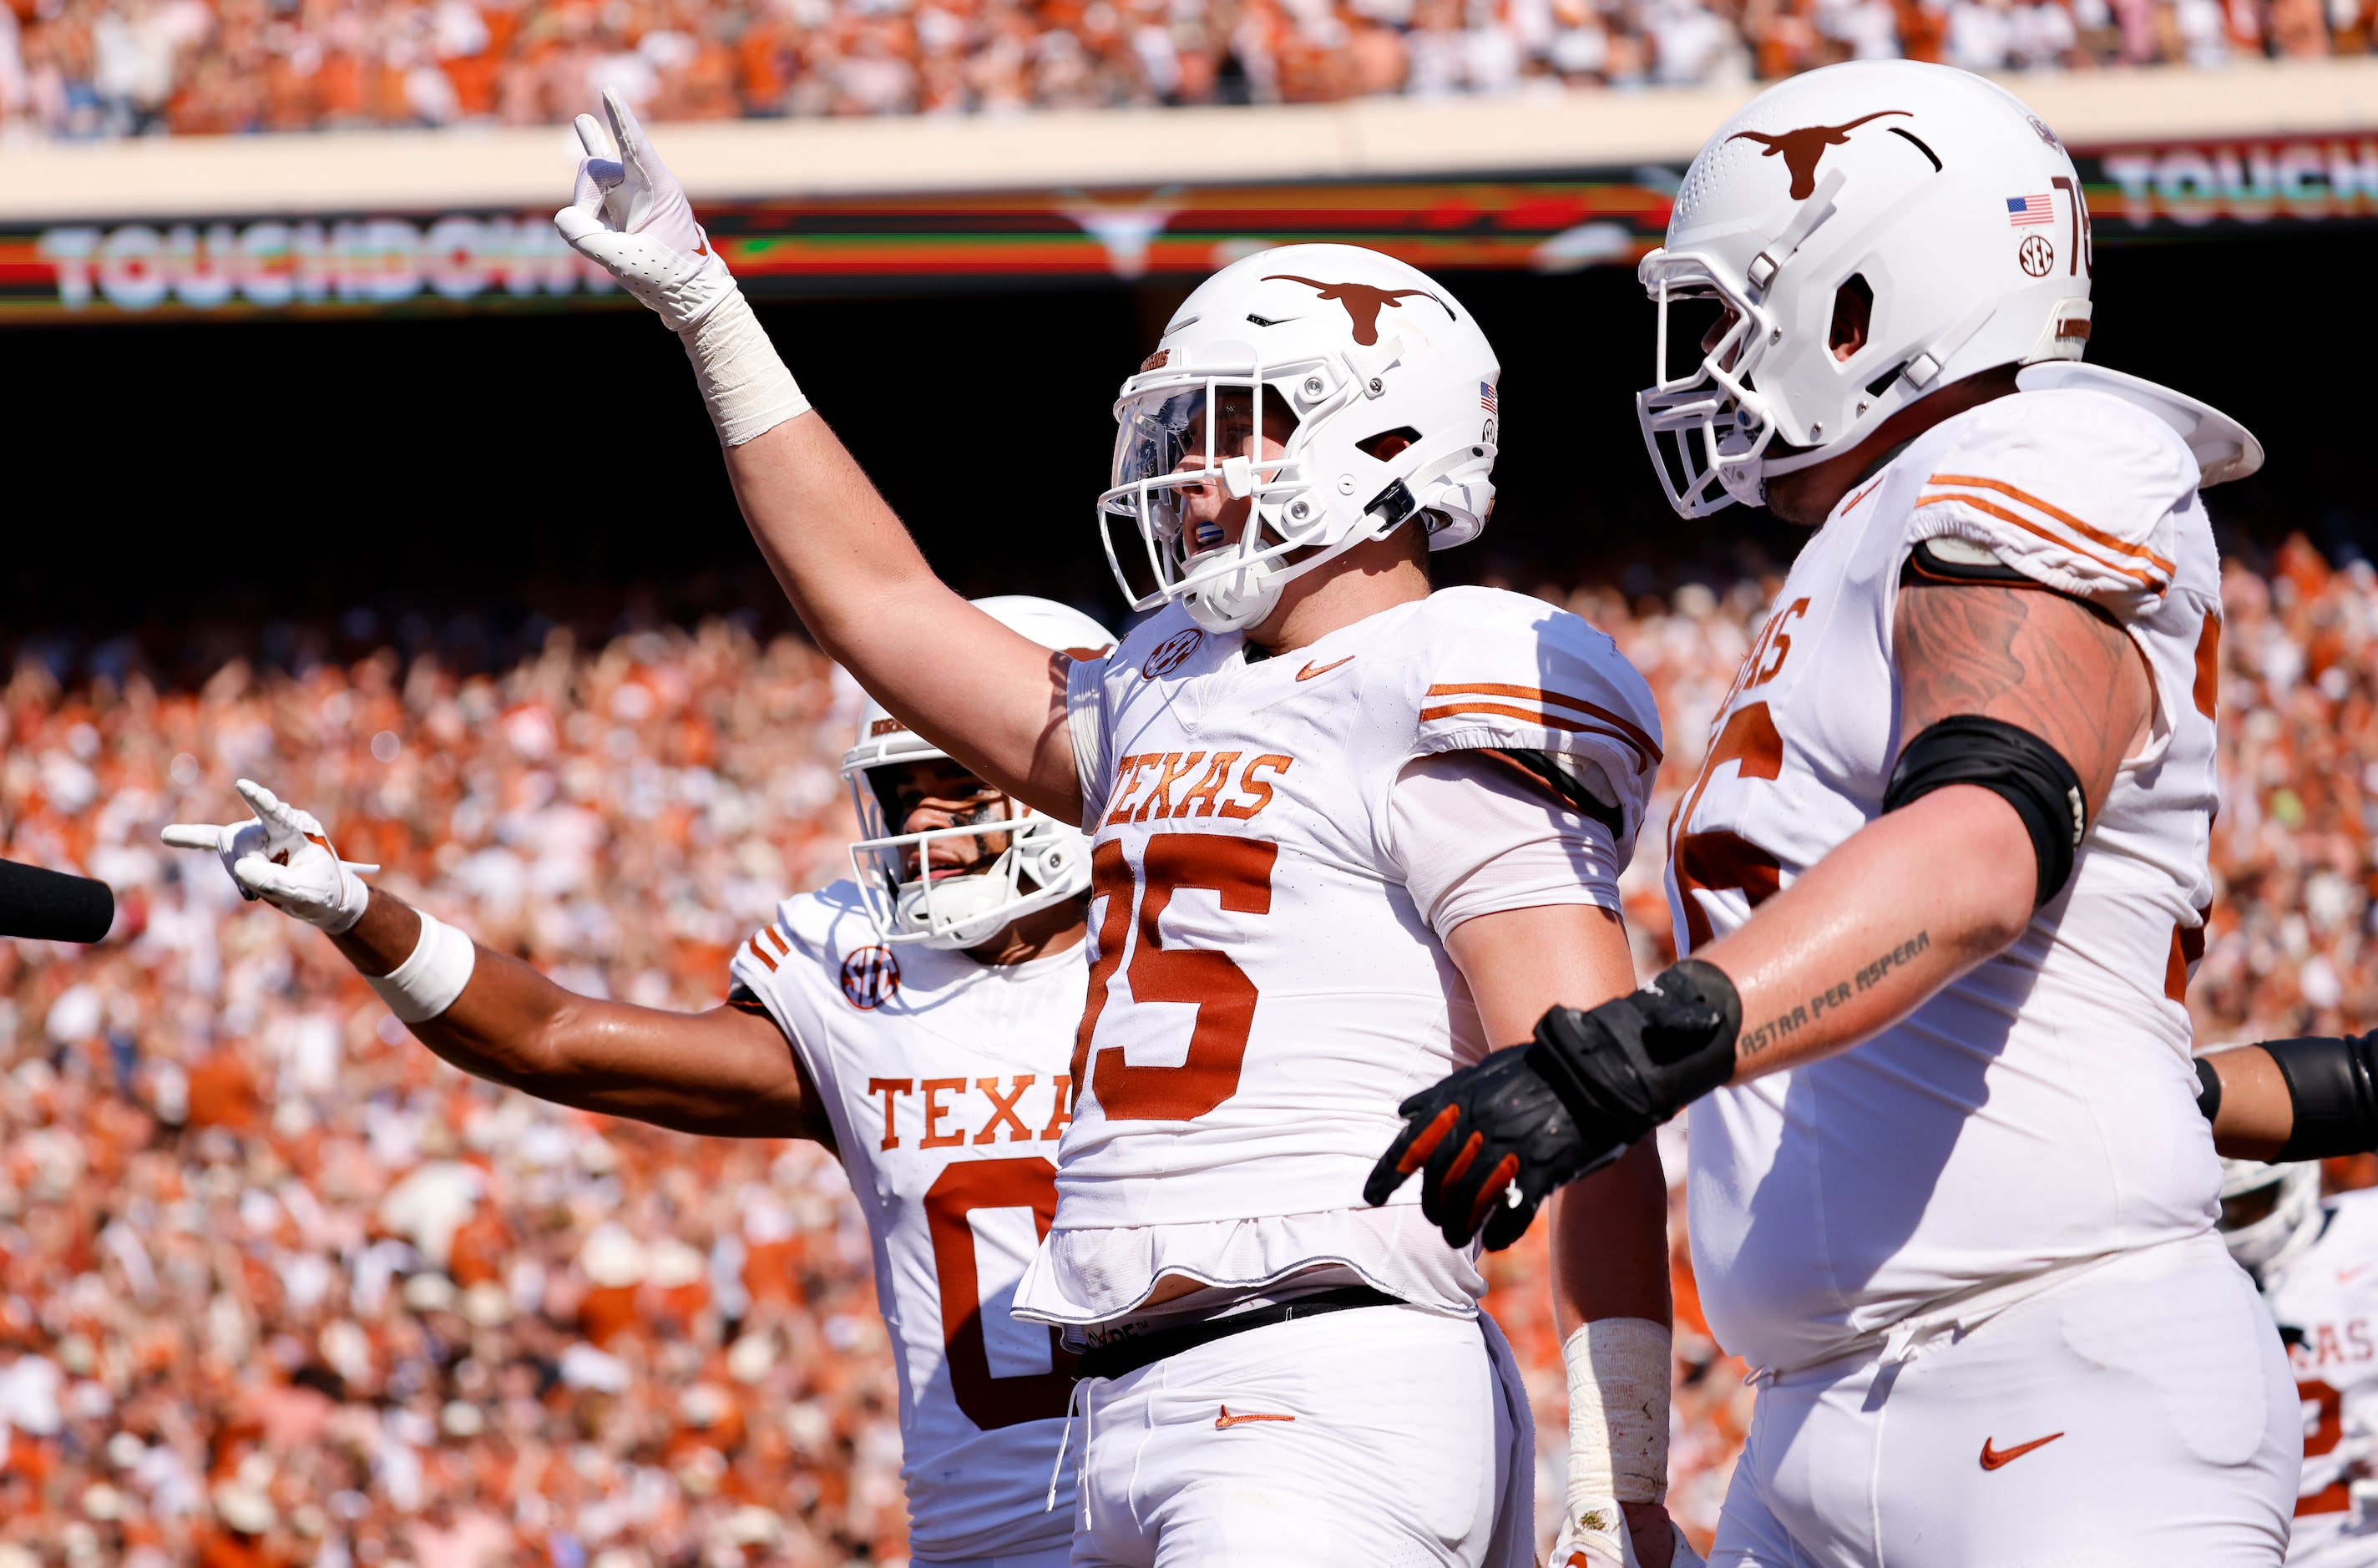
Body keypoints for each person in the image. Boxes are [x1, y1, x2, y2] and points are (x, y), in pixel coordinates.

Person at [547, 89, 1688, 1567]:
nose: (1190, 476)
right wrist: (708, 310)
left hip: (1321, 1381)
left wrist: (1622, 1476)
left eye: (1234, 430)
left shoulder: (1450, 668)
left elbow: (1591, 1095)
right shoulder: (1162, 685)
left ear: (1383, 434)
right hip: (1131, 1407)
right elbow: (881, 607)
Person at [1369, 58, 2351, 1562]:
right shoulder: (1863, 536)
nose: (1701, 357)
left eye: (1725, 309)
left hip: (2053, 1380)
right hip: (1821, 1417)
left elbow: (1980, 844)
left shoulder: (2040, 448)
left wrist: (1627, 1051)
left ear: (1862, 299)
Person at [161, 594, 1116, 1568]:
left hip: (1189, 1486)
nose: (922, 828)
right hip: (983, 1541)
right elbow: (555, 1037)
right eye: (902, 793)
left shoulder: (1197, 942)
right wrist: (357, 910)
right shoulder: (862, 979)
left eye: (954, 787)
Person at [2221, 1155, 2378, 1562]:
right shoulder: (2186, 1284)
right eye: (2230, 1208)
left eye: (2257, 1200)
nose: (2244, 1224)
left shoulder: (2366, 1236)